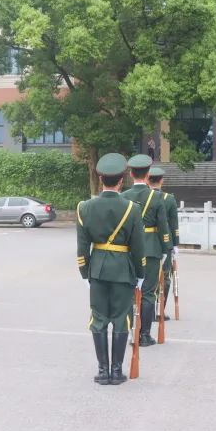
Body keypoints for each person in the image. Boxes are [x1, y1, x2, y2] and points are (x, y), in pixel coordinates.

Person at [77, 153, 146, 385]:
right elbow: (138, 248)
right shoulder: (132, 209)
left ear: (100, 179)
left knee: (98, 319)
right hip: (123, 271)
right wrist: (140, 274)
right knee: (120, 318)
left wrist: (85, 274)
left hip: (97, 271)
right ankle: (116, 372)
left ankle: (102, 371)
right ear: (121, 180)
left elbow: (82, 247)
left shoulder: (85, 208)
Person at [121, 154, 171, 347]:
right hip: (151, 248)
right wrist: (165, 249)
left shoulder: (124, 197)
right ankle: (144, 335)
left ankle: (130, 331)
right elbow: (163, 227)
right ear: (148, 174)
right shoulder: (156, 197)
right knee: (148, 293)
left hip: (127, 250)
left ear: (131, 174)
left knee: (129, 293)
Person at [148, 166, 179, 320]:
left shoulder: (142, 197)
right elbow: (173, 224)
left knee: (145, 278)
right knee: (165, 278)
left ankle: (146, 309)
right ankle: (160, 310)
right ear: (162, 181)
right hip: (165, 243)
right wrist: (175, 244)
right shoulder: (168, 199)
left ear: (147, 180)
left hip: (145, 242)